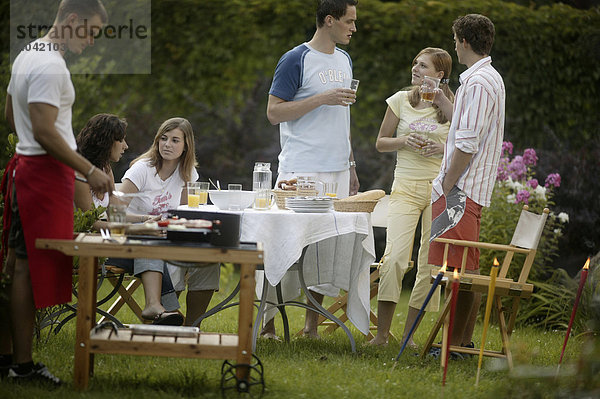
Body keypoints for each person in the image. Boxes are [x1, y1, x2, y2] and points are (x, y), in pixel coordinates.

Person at [0, 0, 112, 385]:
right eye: (92, 31)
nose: (93, 41)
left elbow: (11, 116)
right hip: (43, 176)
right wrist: (89, 169)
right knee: (29, 271)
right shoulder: (50, 65)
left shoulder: (29, 54)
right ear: (73, 21)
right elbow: (45, 130)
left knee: (16, 264)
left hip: (27, 170)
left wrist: (30, 146)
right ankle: (23, 366)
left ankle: (7, 358)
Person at [263, 0, 359, 339]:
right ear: (329, 20)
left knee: (325, 251)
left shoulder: (345, 59)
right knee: (283, 246)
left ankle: (310, 326)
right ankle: (267, 324)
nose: (353, 28)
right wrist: (321, 98)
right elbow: (274, 112)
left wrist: (350, 164)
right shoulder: (295, 58)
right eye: (349, 21)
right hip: (301, 168)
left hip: (337, 169)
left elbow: (342, 118)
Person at [427, 14, 505, 356]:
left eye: (455, 39)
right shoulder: (487, 78)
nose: (454, 44)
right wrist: (441, 99)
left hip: (461, 190)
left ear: (464, 42)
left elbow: (467, 142)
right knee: (463, 268)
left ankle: (456, 346)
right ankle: (461, 343)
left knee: (459, 272)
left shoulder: (477, 83)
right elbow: (466, 120)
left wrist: (446, 184)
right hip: (468, 190)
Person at [369, 48, 455, 347]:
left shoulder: (451, 106)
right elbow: (381, 143)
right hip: (404, 186)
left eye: (423, 65)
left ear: (440, 74)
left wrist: (441, 150)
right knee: (393, 259)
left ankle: (409, 338)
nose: (415, 68)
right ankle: (381, 336)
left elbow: (467, 145)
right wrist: (404, 141)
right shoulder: (401, 99)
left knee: (429, 265)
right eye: (415, 63)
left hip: (438, 191)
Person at [73, 113, 181, 326]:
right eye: (121, 139)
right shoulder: (80, 173)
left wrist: (146, 218)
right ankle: (165, 308)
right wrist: (139, 229)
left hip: (106, 241)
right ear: (106, 141)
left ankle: (157, 307)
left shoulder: (104, 169)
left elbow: (115, 214)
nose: (125, 145)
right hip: (84, 246)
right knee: (148, 242)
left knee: (150, 240)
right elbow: (90, 224)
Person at [112, 117, 220, 326]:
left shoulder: (187, 172)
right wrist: (146, 221)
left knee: (208, 262)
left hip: (170, 235)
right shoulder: (142, 169)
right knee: (170, 258)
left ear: (186, 145)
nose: (167, 144)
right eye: (164, 138)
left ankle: (191, 327)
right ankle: (167, 316)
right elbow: (115, 211)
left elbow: (186, 214)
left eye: (175, 140)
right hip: (136, 236)